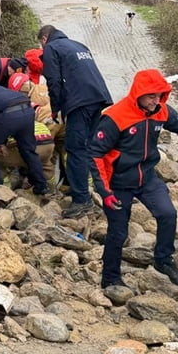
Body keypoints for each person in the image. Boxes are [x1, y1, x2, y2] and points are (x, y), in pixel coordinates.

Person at [89, 68, 178, 288]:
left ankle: (163, 260)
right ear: (138, 93)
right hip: (119, 182)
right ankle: (110, 278)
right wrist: (105, 192)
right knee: (118, 233)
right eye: (151, 96)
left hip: (147, 177)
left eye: (160, 95)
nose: (156, 100)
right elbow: (95, 154)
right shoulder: (115, 117)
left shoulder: (161, 111)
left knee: (168, 213)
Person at [37, 25, 113, 219]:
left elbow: (53, 81)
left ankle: (81, 201)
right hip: (99, 98)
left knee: (75, 148)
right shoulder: (78, 45)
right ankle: (84, 189)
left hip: (81, 103)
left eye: (41, 43)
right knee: (88, 148)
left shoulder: (52, 48)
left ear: (45, 39)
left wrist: (56, 110)